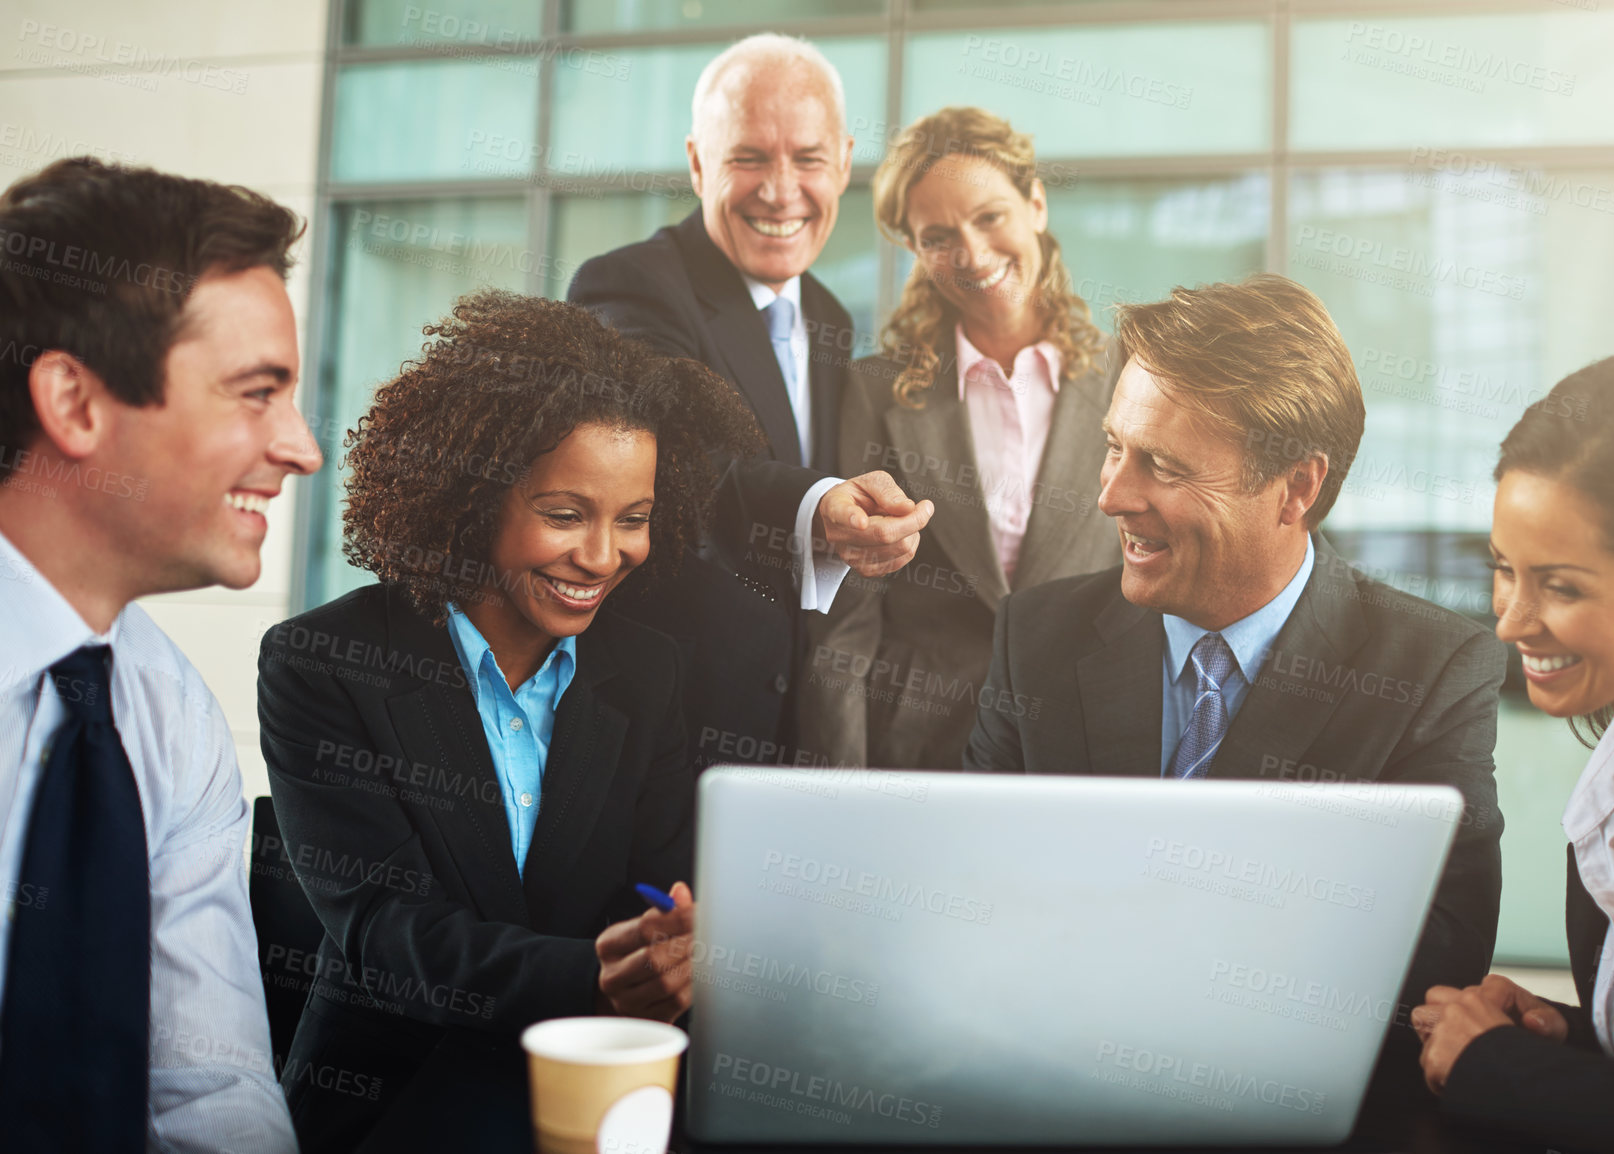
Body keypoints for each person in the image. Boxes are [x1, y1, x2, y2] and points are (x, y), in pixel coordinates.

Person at [257, 290, 761, 1152]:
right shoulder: (324, 662)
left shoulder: (645, 670)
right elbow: (382, 928)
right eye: (566, 515)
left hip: (607, 1090)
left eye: (633, 520)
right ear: (472, 497)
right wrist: (591, 976)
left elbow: (665, 870)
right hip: (399, 1099)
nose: (604, 557)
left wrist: (679, 933)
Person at [963, 274, 1504, 1011]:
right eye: (1114, 447)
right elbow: (978, 888)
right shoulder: (1035, 636)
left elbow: (1440, 956)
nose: (1111, 495)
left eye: (1162, 464)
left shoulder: (1432, 671)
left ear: (1296, 488)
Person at [0, 158, 312, 1152]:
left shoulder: (166, 709)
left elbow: (209, 1083)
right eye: (256, 393)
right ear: (77, 403)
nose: (300, 447)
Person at [570, 32, 932, 771]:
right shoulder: (630, 286)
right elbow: (676, 463)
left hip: (796, 734)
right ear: (699, 162)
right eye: (748, 157)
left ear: (844, 163)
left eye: (807, 159)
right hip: (663, 738)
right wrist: (822, 507)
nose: (780, 190)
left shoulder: (829, 314)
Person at [1413, 357, 1614, 1153]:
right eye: (1503, 570)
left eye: (1560, 586)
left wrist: (1500, 1068)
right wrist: (1560, 1036)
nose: (1512, 621)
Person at [803, 106, 1120, 768]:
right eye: (939, 235)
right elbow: (849, 620)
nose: (971, 255)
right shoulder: (874, 391)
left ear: (1035, 203)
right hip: (920, 750)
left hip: (1094, 742)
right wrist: (839, 791)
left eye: (989, 217)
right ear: (914, 248)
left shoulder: (1130, 379)